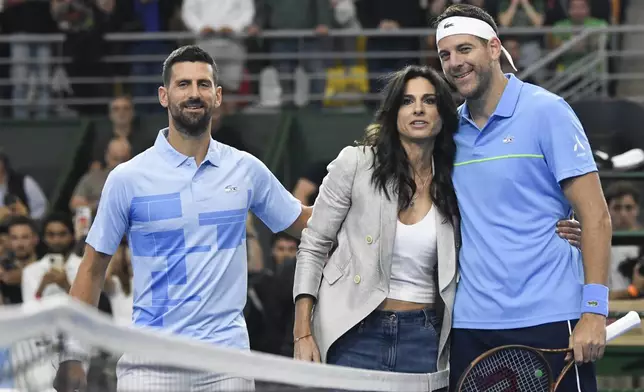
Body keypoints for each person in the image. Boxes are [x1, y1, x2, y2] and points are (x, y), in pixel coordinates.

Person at [291, 65, 582, 384]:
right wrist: (302, 331)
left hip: (424, 339)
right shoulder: (356, 163)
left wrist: (561, 229)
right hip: (352, 331)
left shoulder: (459, 176)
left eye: (429, 101)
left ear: (443, 114)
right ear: (393, 114)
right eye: (406, 101)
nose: (418, 108)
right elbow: (313, 245)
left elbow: (502, 218)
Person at [54, 45, 311, 392]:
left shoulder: (245, 169)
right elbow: (92, 267)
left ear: (218, 96)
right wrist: (73, 354)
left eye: (203, 85)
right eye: (183, 84)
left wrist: (367, 193)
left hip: (227, 363)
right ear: (164, 95)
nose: (194, 93)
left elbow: (305, 223)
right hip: (149, 364)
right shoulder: (128, 177)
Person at [433, 4, 612, 391]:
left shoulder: (548, 112)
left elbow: (596, 216)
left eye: (465, 49)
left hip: (552, 317)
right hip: (472, 324)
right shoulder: (447, 133)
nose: (454, 63)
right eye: (445, 54)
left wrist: (594, 310)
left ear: (494, 48)